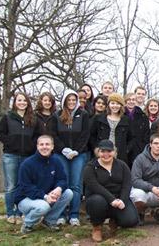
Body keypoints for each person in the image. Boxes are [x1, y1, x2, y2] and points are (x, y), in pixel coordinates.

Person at [15, 135, 73, 233]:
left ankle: (49, 221)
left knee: (68, 193)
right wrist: (45, 196)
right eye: (41, 144)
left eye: (47, 144)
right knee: (43, 206)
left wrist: (58, 188)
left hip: (46, 196)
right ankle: (28, 224)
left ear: (52, 146)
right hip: (25, 199)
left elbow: (62, 179)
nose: (44, 147)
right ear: (37, 146)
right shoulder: (27, 164)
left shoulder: (56, 161)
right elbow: (25, 187)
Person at [83, 140, 139, 242]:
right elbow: (94, 186)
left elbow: (127, 185)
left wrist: (122, 200)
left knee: (131, 220)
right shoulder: (90, 167)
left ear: (114, 152)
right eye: (103, 151)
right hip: (98, 199)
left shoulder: (122, 165)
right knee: (97, 201)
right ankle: (97, 227)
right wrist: (111, 199)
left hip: (118, 200)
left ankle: (115, 220)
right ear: (98, 152)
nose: (106, 154)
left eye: (109, 151)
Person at [0, 92, 40, 224]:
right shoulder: (8, 117)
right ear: (15, 102)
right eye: (19, 100)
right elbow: (0, 134)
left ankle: (20, 212)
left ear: (28, 103)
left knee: (24, 185)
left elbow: (38, 136)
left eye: (24, 100)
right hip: (11, 155)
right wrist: (10, 142)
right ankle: (10, 213)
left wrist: (31, 146)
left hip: (28, 156)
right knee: (11, 186)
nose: (22, 103)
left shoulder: (33, 119)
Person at [54, 90, 91, 226]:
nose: (71, 102)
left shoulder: (83, 115)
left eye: (73, 100)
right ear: (64, 101)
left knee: (76, 184)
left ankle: (74, 214)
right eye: (68, 100)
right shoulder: (57, 115)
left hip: (78, 154)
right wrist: (63, 149)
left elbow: (85, 134)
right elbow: (53, 134)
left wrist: (76, 150)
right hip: (61, 154)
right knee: (63, 183)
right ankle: (62, 214)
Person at [89, 93, 132, 164]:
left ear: (121, 106)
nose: (115, 106)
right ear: (108, 104)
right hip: (102, 153)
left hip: (119, 155)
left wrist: (126, 150)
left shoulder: (126, 120)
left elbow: (132, 138)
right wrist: (96, 149)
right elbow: (91, 135)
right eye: (113, 103)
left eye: (118, 104)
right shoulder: (99, 118)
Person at [123, 93, 151, 167]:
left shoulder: (143, 116)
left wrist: (143, 147)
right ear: (125, 101)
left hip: (139, 149)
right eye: (129, 99)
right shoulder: (121, 114)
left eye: (133, 99)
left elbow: (147, 134)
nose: (131, 101)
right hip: (124, 148)